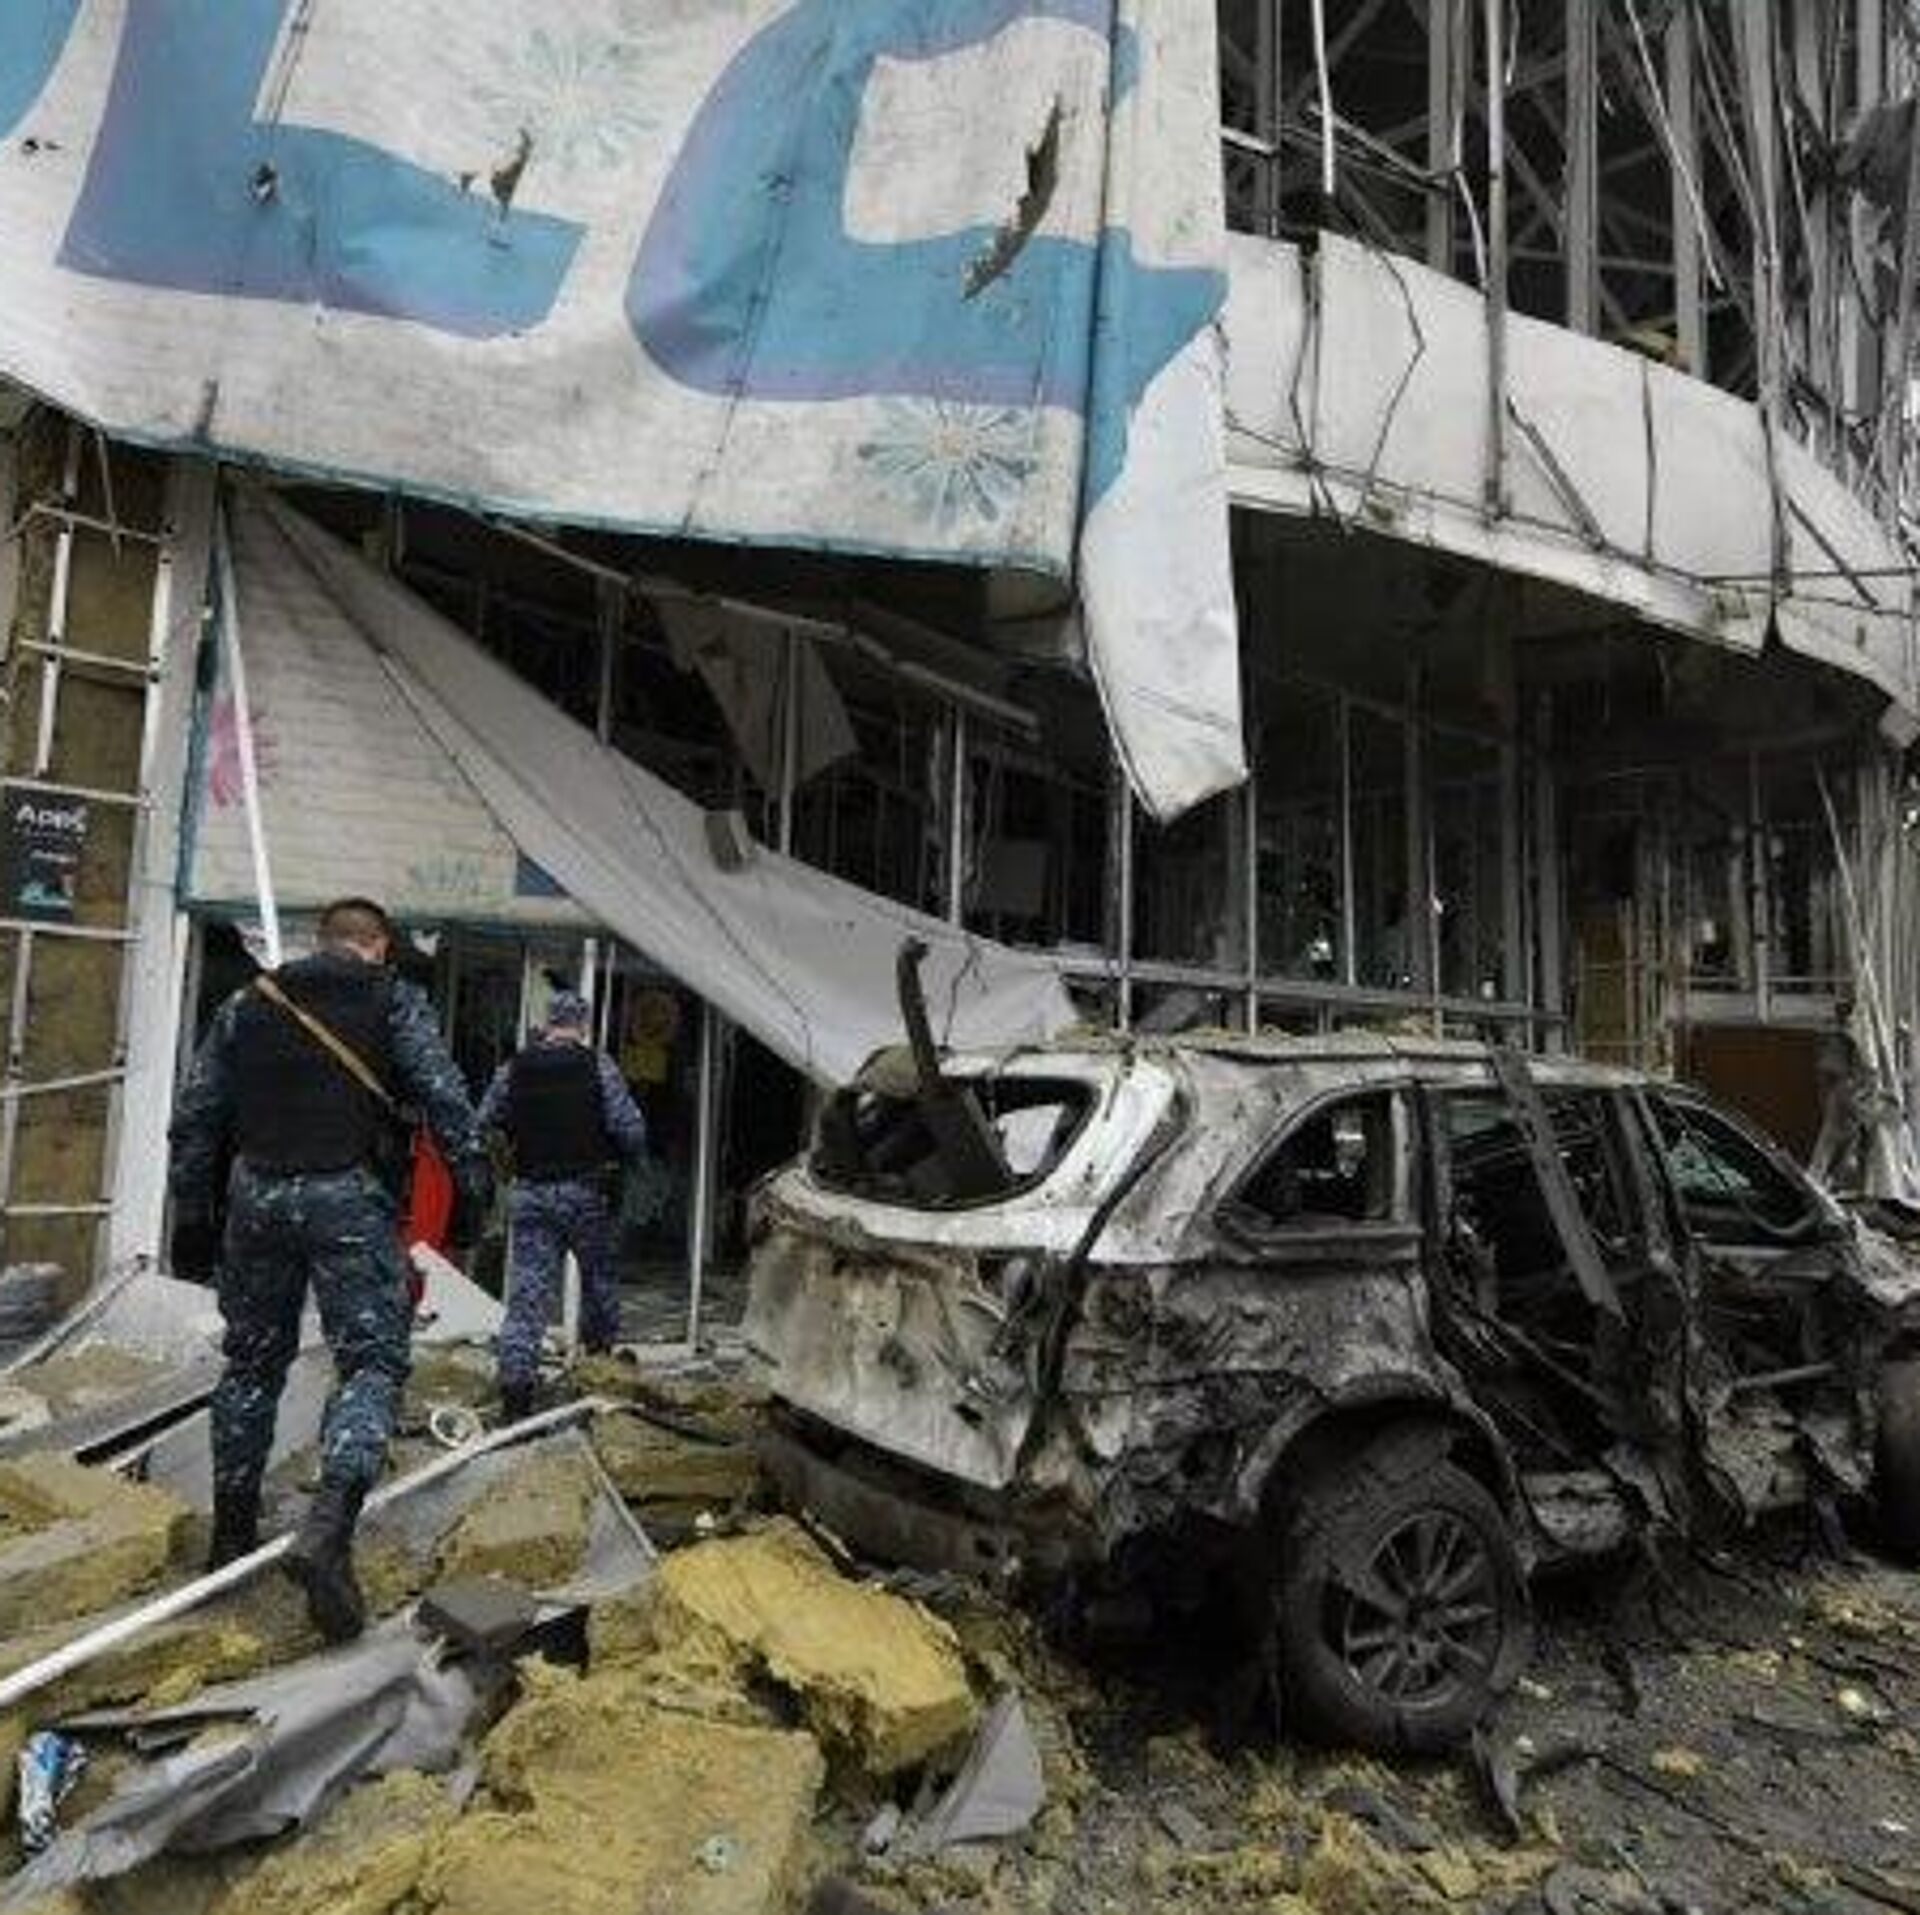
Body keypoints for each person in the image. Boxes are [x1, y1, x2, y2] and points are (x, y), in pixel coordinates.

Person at [167, 898, 490, 1641]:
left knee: (250, 1365)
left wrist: (191, 1214)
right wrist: (472, 1195)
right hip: (348, 1192)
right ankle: (327, 1531)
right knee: (371, 1364)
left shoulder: (248, 1002)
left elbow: (197, 1112)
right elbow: (446, 1099)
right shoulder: (392, 999)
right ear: (377, 946)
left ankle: (231, 1537)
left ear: (323, 942)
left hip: (257, 1194)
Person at [478, 989, 647, 1421]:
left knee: (528, 1296)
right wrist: (626, 1161)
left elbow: (485, 1122)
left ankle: (516, 1393)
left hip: (532, 1192)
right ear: (583, 1025)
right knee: (599, 1286)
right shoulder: (599, 1066)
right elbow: (629, 1130)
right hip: (586, 1194)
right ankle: (598, 1371)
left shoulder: (514, 1068)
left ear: (547, 1022)